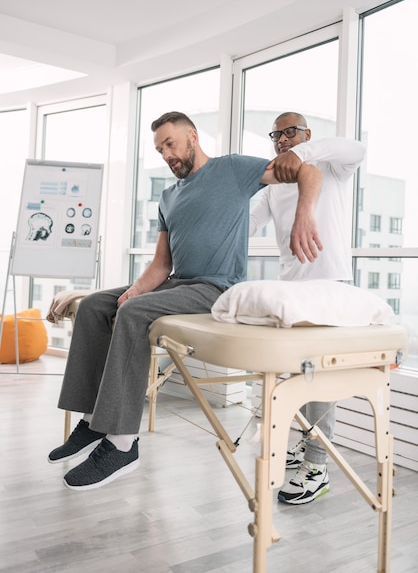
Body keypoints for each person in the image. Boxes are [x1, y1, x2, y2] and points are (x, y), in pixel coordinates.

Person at [48, 110, 323, 491]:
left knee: (132, 312)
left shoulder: (232, 170)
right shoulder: (168, 196)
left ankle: (122, 443)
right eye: (160, 149)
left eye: (170, 144)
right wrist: (134, 290)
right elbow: (162, 265)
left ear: (192, 136)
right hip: (176, 282)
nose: (166, 154)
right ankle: (94, 418)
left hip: (216, 286)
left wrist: (303, 216)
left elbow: (309, 173)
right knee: (96, 304)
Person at [249, 111, 365, 505]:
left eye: (289, 132)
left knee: (318, 382)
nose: (281, 139)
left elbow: (357, 148)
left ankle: (317, 465)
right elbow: (246, 224)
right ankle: (307, 444)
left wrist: (302, 153)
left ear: (306, 134)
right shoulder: (272, 189)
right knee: (298, 379)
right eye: (276, 134)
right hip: (293, 293)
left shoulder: (328, 169)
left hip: (330, 285)